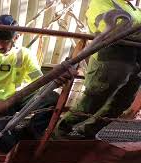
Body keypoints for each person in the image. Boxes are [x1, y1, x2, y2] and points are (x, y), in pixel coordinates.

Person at [0, 15, 60, 153]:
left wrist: (56, 79)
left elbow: (39, 81)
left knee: (51, 98)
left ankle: (30, 132)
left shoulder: (25, 55)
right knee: (3, 143)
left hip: (17, 99)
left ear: (15, 38)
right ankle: (13, 143)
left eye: (4, 41)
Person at [55, 0, 141, 138]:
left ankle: (88, 132)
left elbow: (130, 27)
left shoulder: (137, 10)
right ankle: (60, 132)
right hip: (109, 61)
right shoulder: (102, 2)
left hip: (135, 64)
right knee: (93, 101)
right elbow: (112, 28)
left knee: (121, 103)